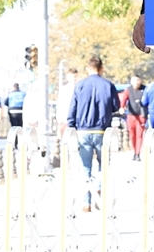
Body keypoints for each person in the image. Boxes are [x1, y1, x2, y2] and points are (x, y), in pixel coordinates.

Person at [67, 57, 120, 212]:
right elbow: (116, 105)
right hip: (102, 130)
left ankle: (86, 202)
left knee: (85, 167)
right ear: (101, 68)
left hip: (83, 130)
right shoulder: (108, 85)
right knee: (103, 165)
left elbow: (73, 108)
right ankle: (98, 189)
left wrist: (71, 126)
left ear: (87, 69)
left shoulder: (80, 85)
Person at [120, 76, 146, 161]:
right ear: (131, 82)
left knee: (139, 135)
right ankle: (134, 150)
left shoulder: (144, 89)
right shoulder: (128, 90)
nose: (137, 83)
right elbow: (124, 99)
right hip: (131, 115)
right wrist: (122, 107)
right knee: (132, 135)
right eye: (135, 81)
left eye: (138, 80)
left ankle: (137, 153)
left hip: (141, 115)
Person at [55, 68, 80, 136]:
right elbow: (60, 105)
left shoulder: (80, 89)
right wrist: (59, 120)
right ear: (68, 77)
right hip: (65, 119)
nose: (74, 79)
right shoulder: (64, 90)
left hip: (77, 120)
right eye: (72, 77)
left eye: (75, 76)